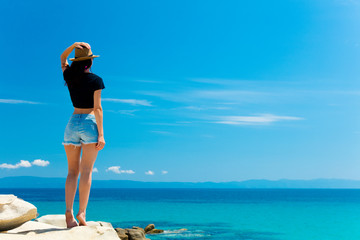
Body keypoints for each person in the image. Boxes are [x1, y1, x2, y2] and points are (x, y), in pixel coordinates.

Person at [60, 42, 105, 228]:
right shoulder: (96, 80)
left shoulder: (69, 76)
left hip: (72, 123)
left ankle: (69, 213)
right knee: (86, 171)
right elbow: (98, 109)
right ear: (90, 62)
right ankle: (82, 213)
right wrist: (101, 135)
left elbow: (62, 59)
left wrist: (72, 46)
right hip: (89, 123)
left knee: (72, 172)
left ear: (76, 61)